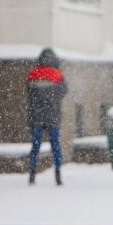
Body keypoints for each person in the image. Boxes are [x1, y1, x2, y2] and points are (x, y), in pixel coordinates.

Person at [27, 47, 67, 186]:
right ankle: (58, 174)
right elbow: (63, 92)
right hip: (53, 116)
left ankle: (32, 173)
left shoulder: (32, 74)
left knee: (35, 146)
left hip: (36, 116)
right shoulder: (57, 75)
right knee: (55, 145)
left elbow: (29, 94)